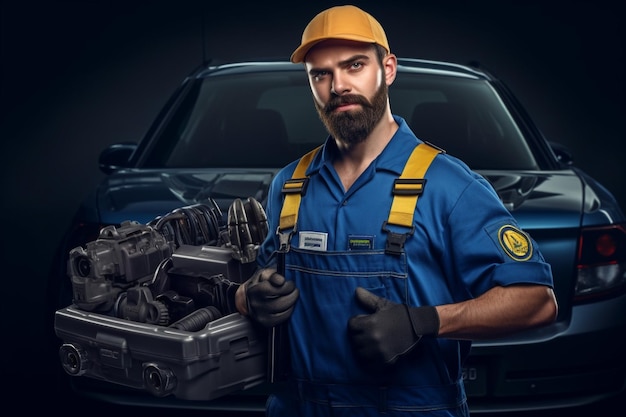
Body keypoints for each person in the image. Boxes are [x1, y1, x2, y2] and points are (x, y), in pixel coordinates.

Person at [234, 5, 558, 416]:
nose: (338, 85)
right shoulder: (290, 185)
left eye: (354, 65)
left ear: (387, 69)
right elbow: (259, 287)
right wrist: (250, 297)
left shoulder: (448, 186)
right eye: (321, 73)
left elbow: (537, 301)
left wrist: (425, 322)